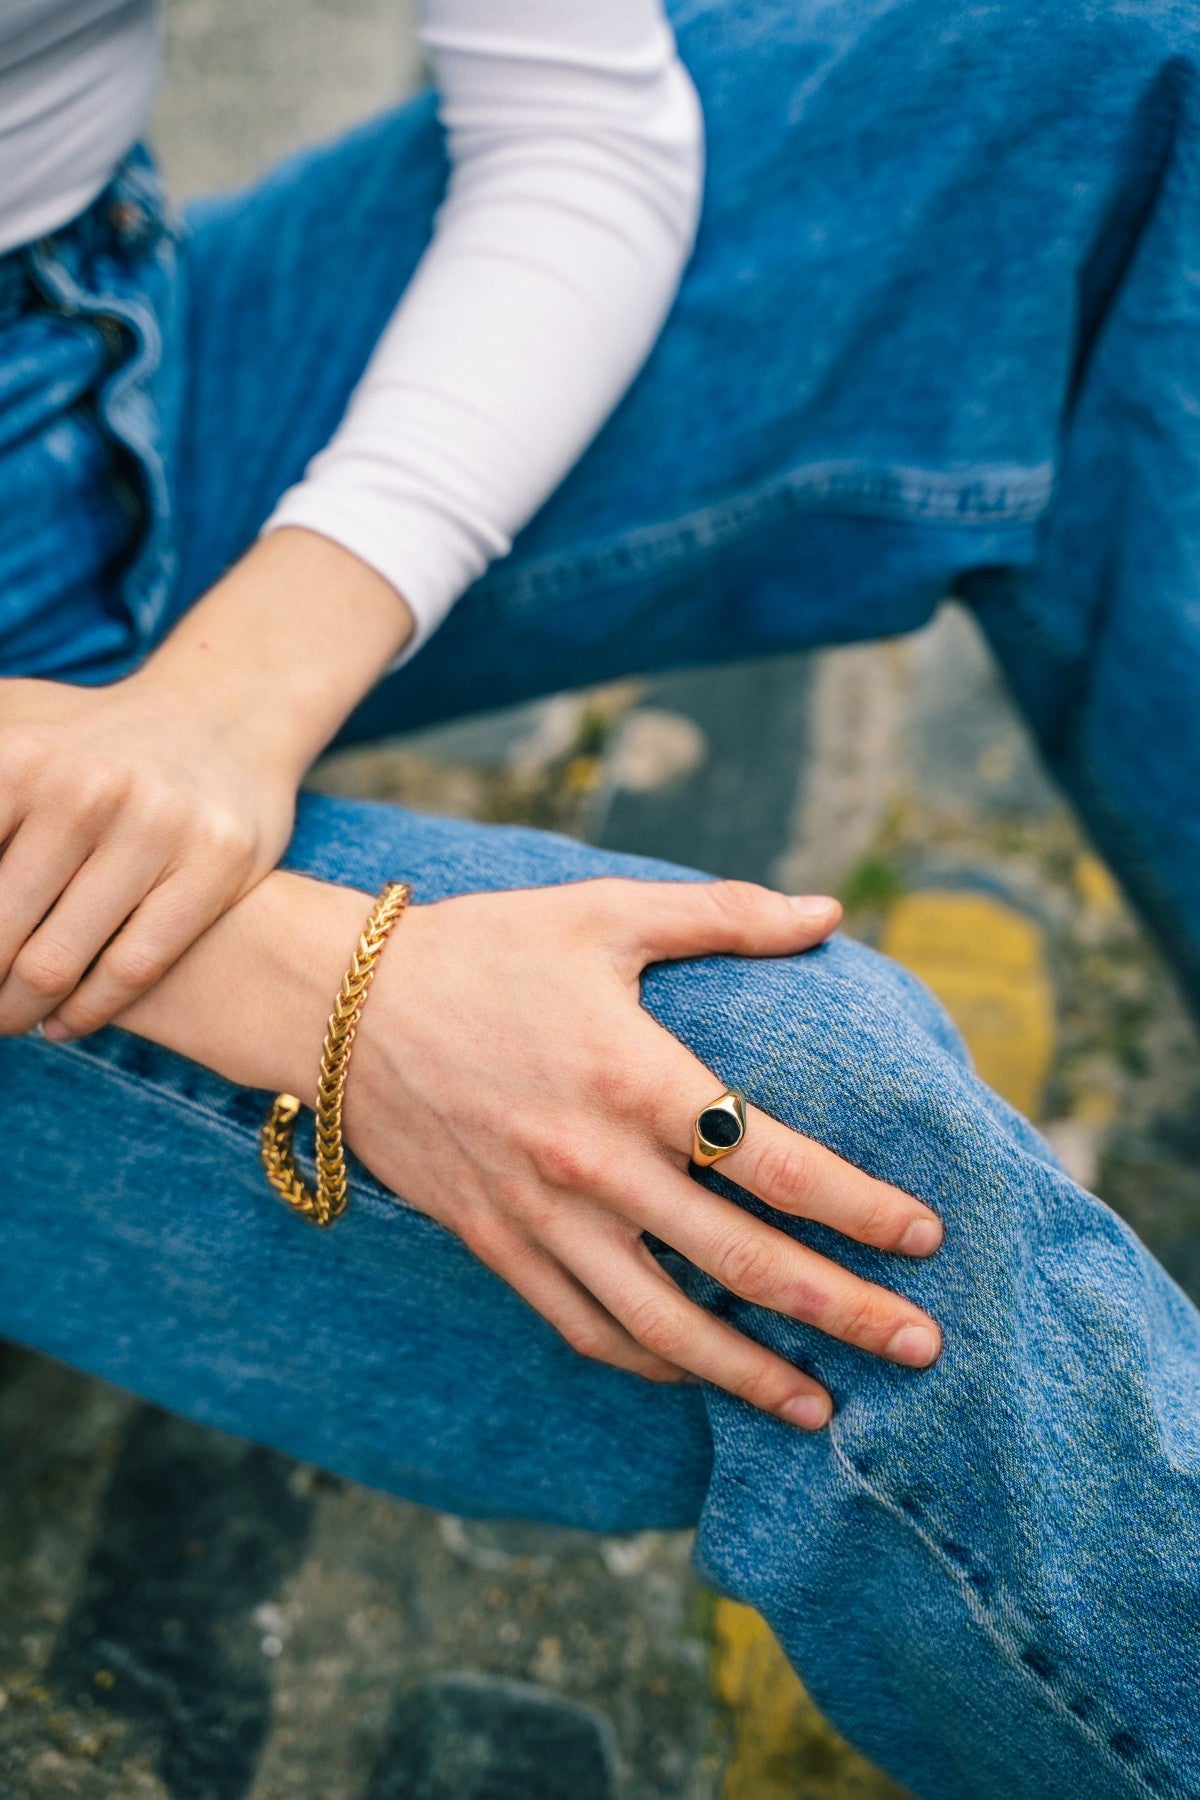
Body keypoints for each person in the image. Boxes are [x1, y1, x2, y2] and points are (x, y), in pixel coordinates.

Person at [1, 0, 1198, 1794]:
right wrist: (323, 983)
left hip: (96, 356)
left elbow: (577, 115)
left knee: (1088, 88)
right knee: (781, 1133)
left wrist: (242, 691)